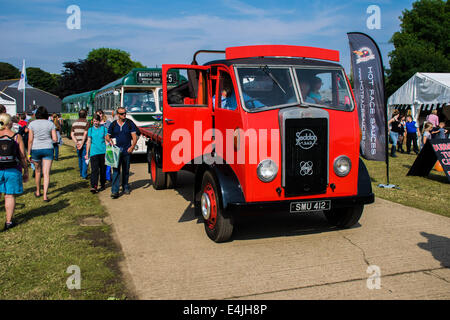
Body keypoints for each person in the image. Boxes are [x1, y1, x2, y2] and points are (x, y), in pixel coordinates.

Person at [0, 113, 29, 230]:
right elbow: (22, 156)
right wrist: (26, 170)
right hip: (13, 169)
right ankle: (8, 222)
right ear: (9, 123)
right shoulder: (16, 136)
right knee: (9, 196)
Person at [106, 107, 138, 199]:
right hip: (116, 151)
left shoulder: (129, 123)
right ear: (117, 115)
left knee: (126, 170)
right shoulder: (113, 124)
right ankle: (115, 191)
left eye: (125, 113)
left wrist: (132, 147)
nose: (124, 115)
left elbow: (134, 137)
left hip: (126, 150)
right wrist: (110, 140)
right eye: (122, 114)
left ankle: (125, 187)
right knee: (116, 171)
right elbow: (107, 136)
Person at [27, 106, 57, 202]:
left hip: (36, 149)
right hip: (48, 148)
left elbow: (30, 140)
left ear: (36, 115)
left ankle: (38, 191)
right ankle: (45, 196)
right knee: (46, 173)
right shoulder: (50, 124)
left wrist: (28, 154)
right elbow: (55, 139)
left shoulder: (32, 124)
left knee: (37, 171)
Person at [85, 114, 108, 194]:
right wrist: (87, 153)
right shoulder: (90, 130)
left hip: (103, 152)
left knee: (103, 169)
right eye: (94, 121)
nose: (96, 123)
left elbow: (106, 140)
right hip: (94, 152)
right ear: (92, 121)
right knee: (94, 170)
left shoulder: (104, 129)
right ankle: (94, 186)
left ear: (99, 121)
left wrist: (108, 150)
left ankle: (102, 183)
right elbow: (88, 142)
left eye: (97, 121)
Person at [71, 109, 90, 179]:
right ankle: (84, 174)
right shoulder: (86, 123)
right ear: (85, 115)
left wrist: (77, 143)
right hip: (84, 143)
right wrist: (82, 143)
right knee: (85, 158)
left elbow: (72, 134)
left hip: (78, 143)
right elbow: (85, 134)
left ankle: (81, 173)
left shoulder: (74, 123)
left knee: (79, 158)